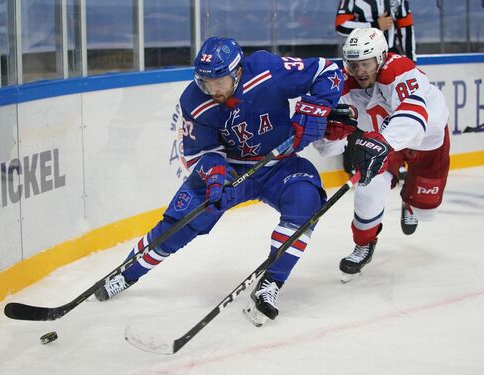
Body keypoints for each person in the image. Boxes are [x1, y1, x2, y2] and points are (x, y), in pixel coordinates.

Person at [93, 36, 347, 326]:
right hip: (233, 170)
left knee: (306, 203)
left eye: (219, 81)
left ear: (238, 71)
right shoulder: (193, 100)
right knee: (183, 220)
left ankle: (271, 284)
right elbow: (200, 152)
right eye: (205, 81)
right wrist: (216, 179)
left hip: (281, 164)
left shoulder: (266, 69)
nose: (212, 89)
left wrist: (313, 110)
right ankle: (126, 272)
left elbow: (327, 71)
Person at [324, 28, 450, 282]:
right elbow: (330, 140)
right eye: (354, 64)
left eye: (366, 63)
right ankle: (364, 244)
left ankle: (411, 201)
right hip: (383, 139)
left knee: (426, 210)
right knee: (367, 190)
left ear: (381, 57)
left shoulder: (399, 69)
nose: (359, 71)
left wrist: (385, 142)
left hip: (427, 140)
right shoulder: (345, 84)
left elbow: (414, 114)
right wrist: (332, 137)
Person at [336, 0, 417, 178]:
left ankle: (396, 159)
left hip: (386, 59)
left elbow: (406, 26)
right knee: (355, 111)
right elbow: (341, 25)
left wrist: (411, 63)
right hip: (358, 60)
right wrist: (373, 25)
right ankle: (355, 160)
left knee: (394, 109)